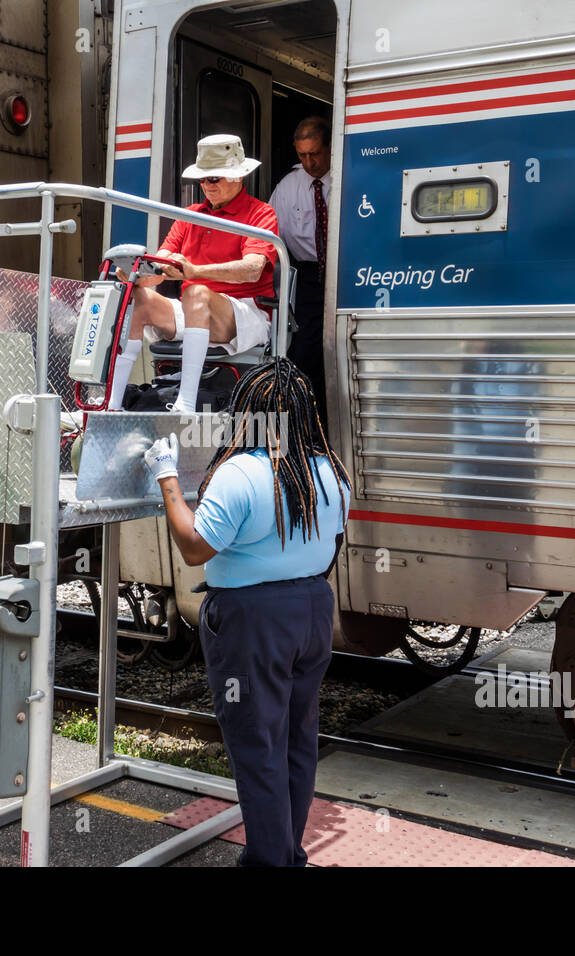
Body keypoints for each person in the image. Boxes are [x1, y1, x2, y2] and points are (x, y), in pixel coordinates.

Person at [140, 359, 351, 866]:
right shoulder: (331, 470)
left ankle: (271, 862)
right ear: (305, 413)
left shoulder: (240, 472)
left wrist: (166, 476)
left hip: (252, 621)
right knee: (297, 742)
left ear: (248, 412)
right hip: (312, 612)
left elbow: (195, 547)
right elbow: (334, 542)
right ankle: (286, 853)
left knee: (257, 749)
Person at [107, 134, 279, 414]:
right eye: (202, 179)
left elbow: (252, 269)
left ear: (238, 176)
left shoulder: (261, 213)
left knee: (195, 292)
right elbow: (159, 271)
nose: (206, 186)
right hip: (195, 309)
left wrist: (195, 271)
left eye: (213, 179)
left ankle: (185, 404)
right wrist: (134, 276)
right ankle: (111, 406)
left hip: (246, 314)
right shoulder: (190, 215)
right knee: (138, 297)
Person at [269, 116, 331, 431]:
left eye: (316, 153)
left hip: (347, 271)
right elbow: (267, 237)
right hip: (308, 277)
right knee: (306, 353)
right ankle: (311, 427)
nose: (309, 162)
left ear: (331, 146)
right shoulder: (288, 187)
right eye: (302, 155)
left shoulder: (353, 174)